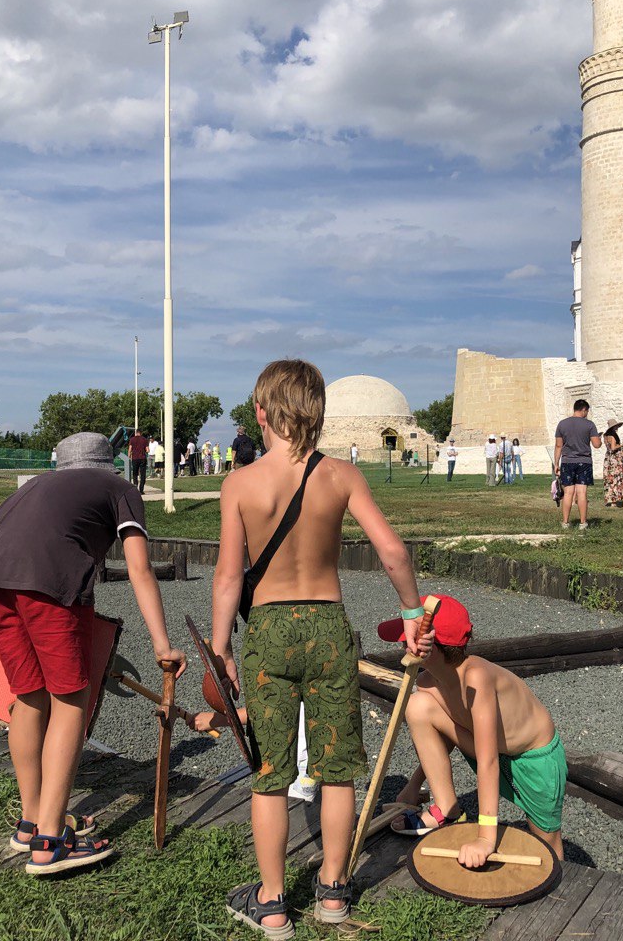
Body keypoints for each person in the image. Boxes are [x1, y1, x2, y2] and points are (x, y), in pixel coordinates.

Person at [210, 359, 425, 937]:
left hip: (269, 631)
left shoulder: (240, 483)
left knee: (271, 770)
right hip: (329, 625)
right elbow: (394, 553)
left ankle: (273, 899)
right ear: (319, 412)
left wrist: (221, 646)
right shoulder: (342, 476)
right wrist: (411, 614)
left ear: (261, 411)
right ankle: (333, 892)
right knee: (337, 768)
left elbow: (229, 577)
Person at [0, 432, 185, 876]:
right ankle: (51, 841)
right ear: (109, 465)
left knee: (30, 698)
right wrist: (162, 644)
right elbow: (140, 568)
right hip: (52, 581)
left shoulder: (34, 486)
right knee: (71, 700)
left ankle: (31, 823)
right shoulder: (121, 489)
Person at [387, 595, 565, 865]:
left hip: (533, 757)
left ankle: (560, 888)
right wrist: (414, 787)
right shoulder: (428, 681)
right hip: (489, 749)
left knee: (546, 844)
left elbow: (488, 760)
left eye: (407, 637)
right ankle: (446, 808)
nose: (402, 643)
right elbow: (442, 739)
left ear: (430, 646)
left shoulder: (476, 678)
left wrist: (485, 838)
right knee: (418, 706)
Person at [553, 400, 601, 529]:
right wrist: (600, 439)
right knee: (582, 493)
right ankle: (583, 522)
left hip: (567, 461)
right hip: (584, 461)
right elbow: (597, 445)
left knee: (568, 493)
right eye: (587, 411)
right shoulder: (589, 425)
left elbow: (558, 445)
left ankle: (565, 522)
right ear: (584, 409)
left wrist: (556, 463)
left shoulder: (562, 424)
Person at [602, 421, 623, 508]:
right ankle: (622, 501)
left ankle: (613, 501)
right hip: (615, 458)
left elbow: (608, 447)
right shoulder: (613, 436)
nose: (617, 427)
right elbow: (613, 448)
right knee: (619, 478)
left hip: (608, 458)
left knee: (611, 479)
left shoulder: (605, 436)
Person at [128, 428, 149, 493]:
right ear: (141, 433)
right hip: (142, 458)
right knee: (143, 474)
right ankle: (141, 490)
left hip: (135, 458)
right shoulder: (145, 440)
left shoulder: (132, 439)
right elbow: (147, 450)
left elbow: (130, 449)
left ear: (136, 433)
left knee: (135, 473)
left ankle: (135, 487)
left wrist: (129, 456)